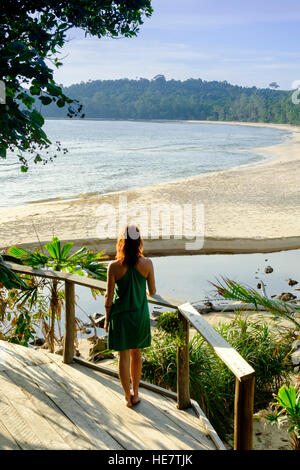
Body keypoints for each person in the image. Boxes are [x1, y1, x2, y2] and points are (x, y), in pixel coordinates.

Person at [104, 224, 156, 407]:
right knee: (137, 354)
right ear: (139, 241)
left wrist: (107, 319)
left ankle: (127, 396)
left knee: (123, 357)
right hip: (139, 315)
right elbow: (153, 291)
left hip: (120, 317)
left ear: (122, 242)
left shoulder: (113, 266)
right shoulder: (147, 264)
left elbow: (109, 297)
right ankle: (136, 393)